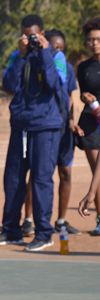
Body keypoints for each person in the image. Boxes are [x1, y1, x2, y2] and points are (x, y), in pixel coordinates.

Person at [0, 15, 67, 251]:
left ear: (42, 33)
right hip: (20, 125)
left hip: (45, 126)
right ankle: (11, 230)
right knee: (13, 179)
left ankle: (44, 233)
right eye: (25, 34)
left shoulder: (55, 56)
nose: (29, 39)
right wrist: (21, 56)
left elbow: (54, 85)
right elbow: (9, 85)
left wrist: (43, 52)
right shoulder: (17, 56)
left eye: (33, 34)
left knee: (41, 179)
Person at [21, 29, 81, 236]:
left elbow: (69, 97)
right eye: (53, 46)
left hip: (64, 129)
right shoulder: (36, 64)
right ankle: (28, 219)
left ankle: (61, 220)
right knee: (37, 172)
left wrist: (72, 121)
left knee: (65, 172)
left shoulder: (67, 68)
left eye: (60, 49)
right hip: (46, 126)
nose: (57, 51)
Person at [76, 17, 100, 235]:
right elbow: (83, 93)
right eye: (90, 40)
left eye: (98, 39)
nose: (94, 43)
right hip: (91, 124)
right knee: (96, 172)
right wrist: (85, 98)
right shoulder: (83, 67)